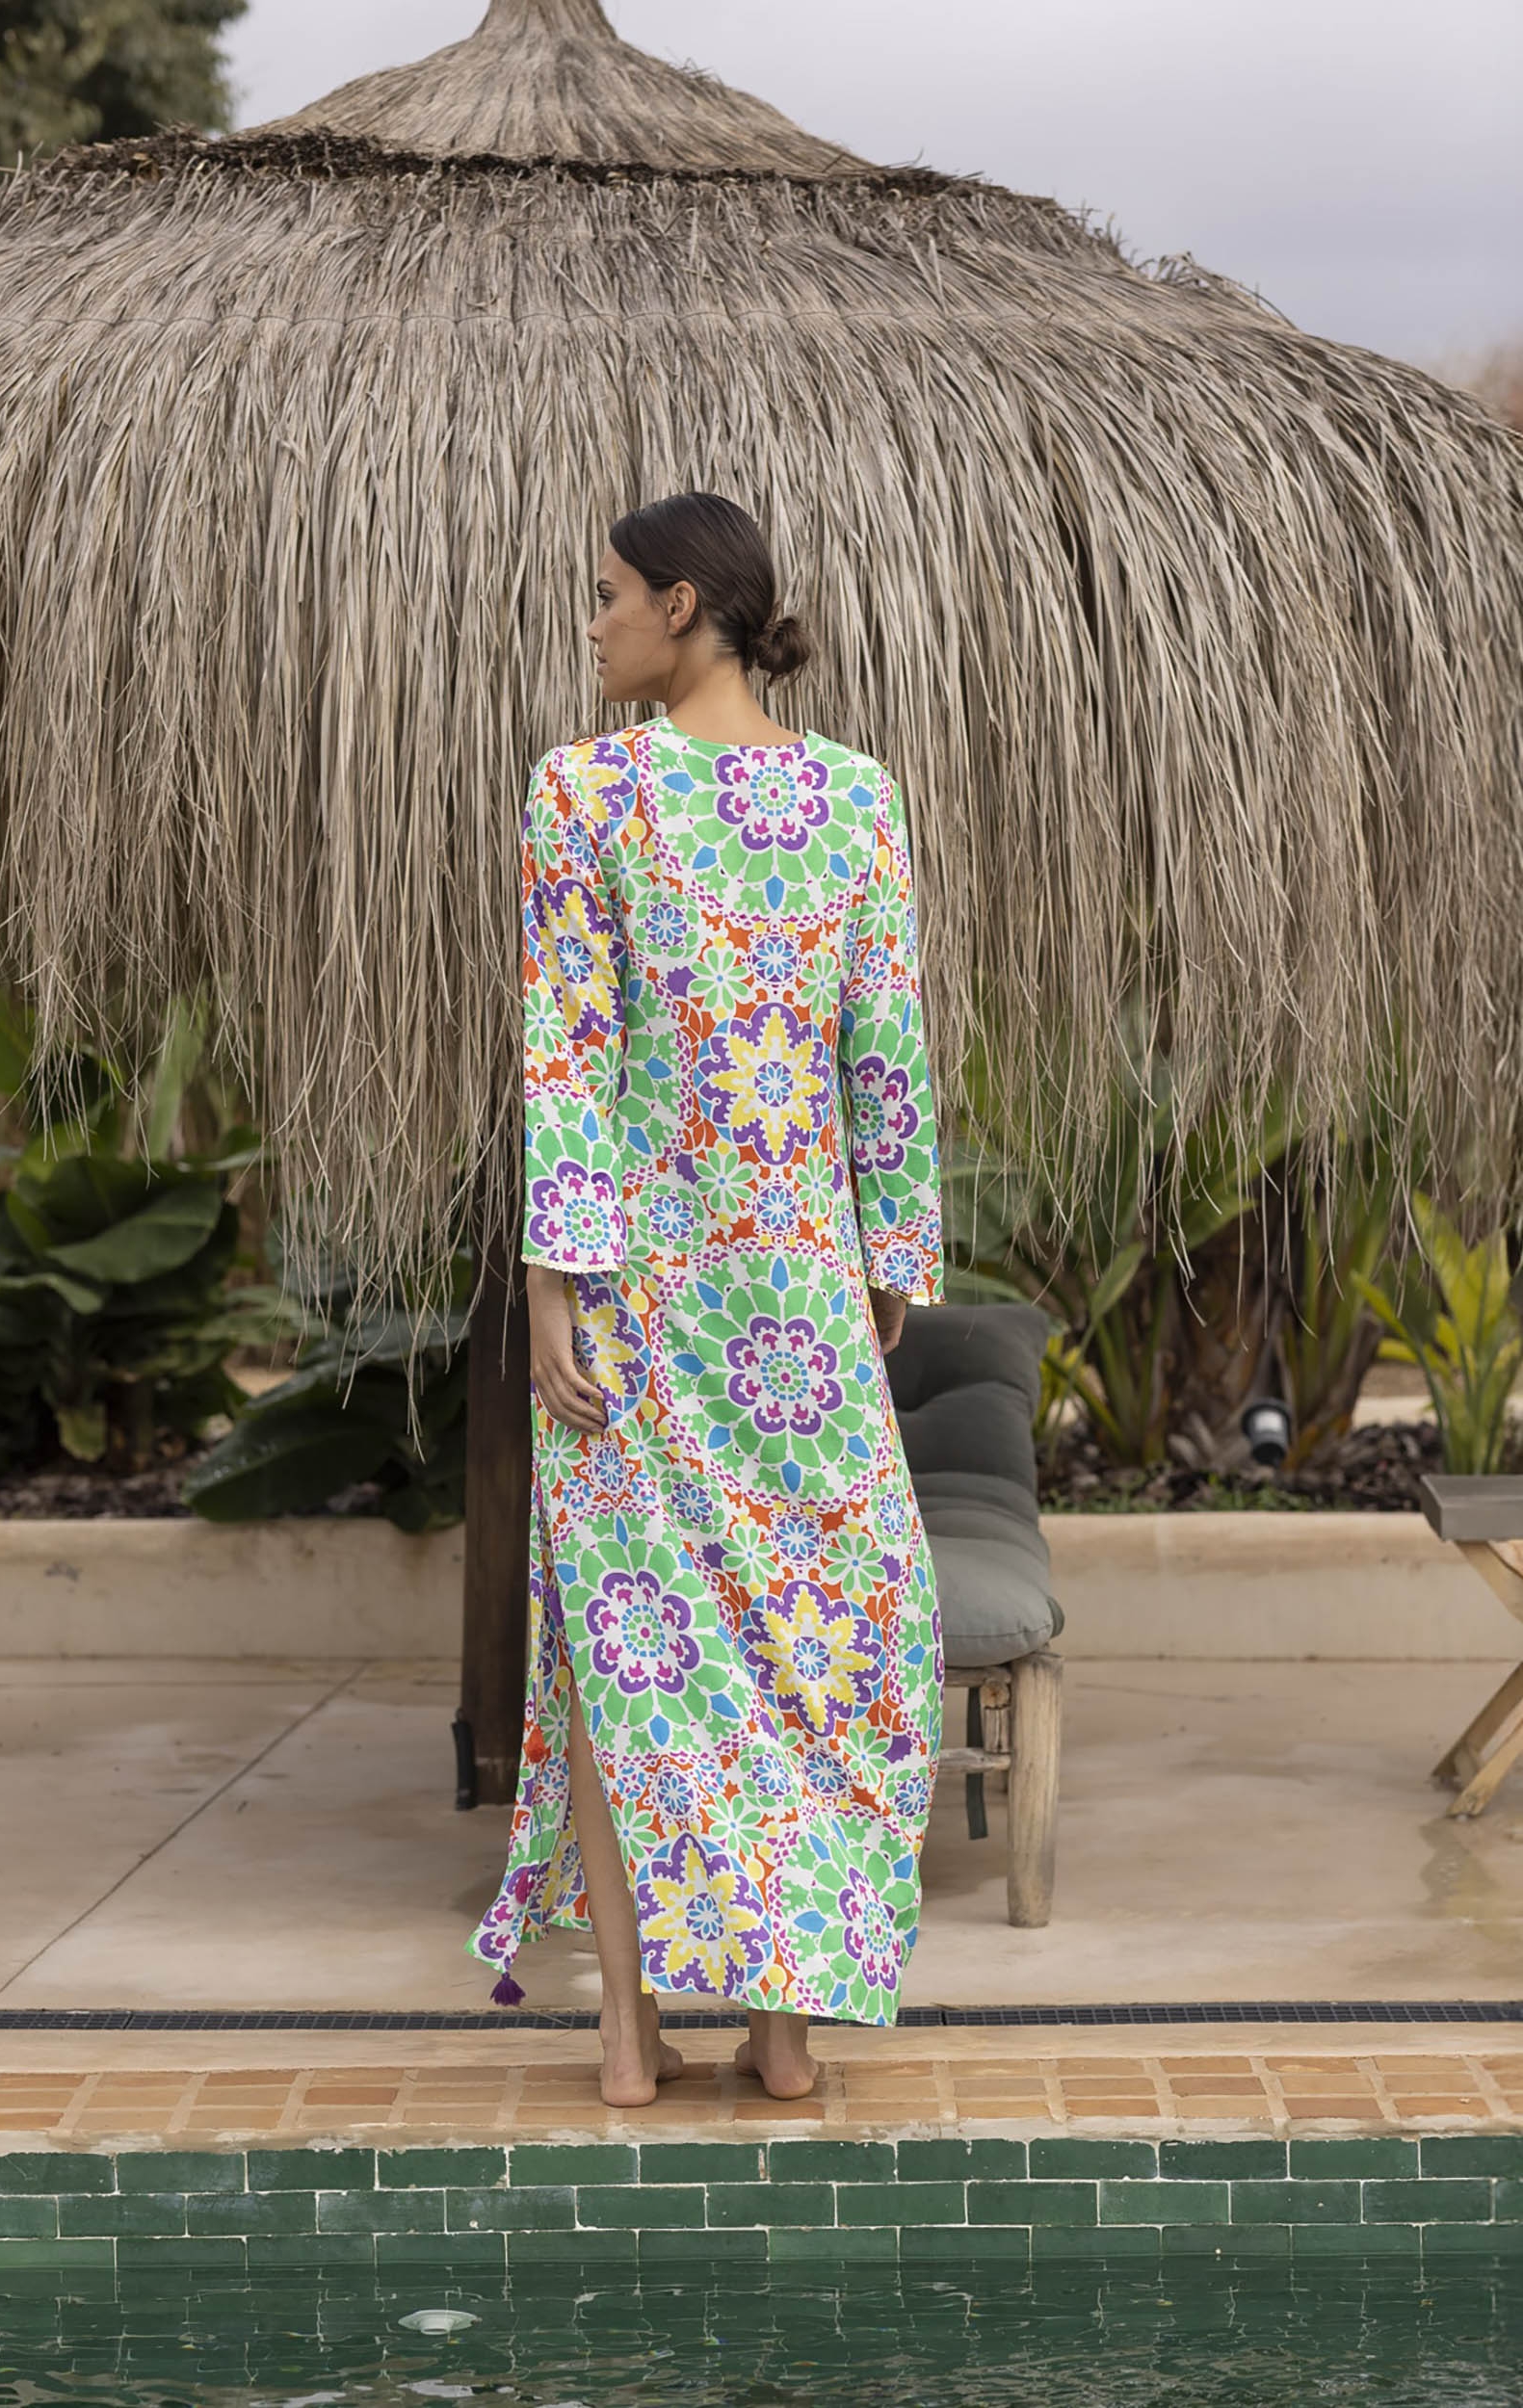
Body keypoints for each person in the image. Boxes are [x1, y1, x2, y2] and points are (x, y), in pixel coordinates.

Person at [471, 491, 944, 2108]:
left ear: (683, 605)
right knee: (812, 1643)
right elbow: (884, 1052)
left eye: (607, 596)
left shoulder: (584, 792)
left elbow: (570, 1062)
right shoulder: (853, 800)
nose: (589, 622)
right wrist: (888, 1267)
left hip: (647, 1301)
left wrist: (554, 1286)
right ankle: (776, 2029)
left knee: (631, 1647)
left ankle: (638, 2029)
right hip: (797, 1301)